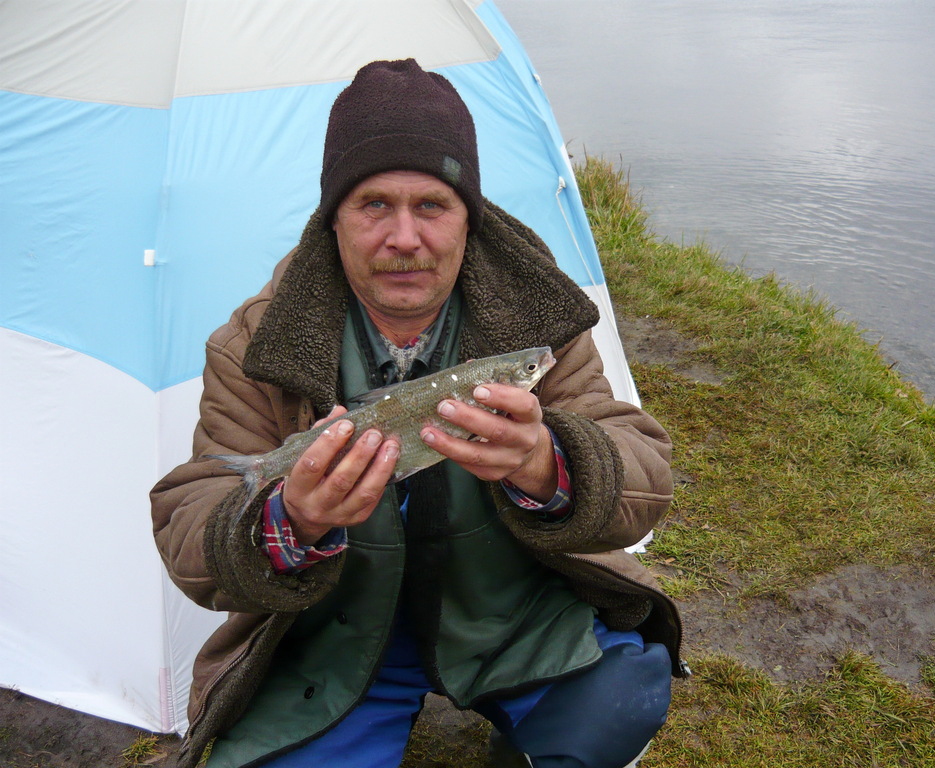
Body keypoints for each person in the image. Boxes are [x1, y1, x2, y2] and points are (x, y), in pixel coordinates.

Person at [152, 58, 685, 768]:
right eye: (374, 204)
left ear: (470, 217)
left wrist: (547, 462)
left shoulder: (538, 321)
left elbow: (643, 472)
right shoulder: (253, 345)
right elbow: (191, 525)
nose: (404, 238)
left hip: (511, 618)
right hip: (330, 645)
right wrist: (291, 521)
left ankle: (527, 736)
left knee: (623, 700)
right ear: (332, 220)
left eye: (431, 206)